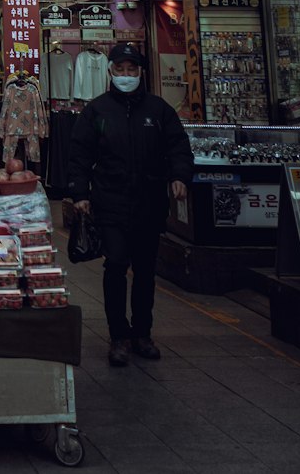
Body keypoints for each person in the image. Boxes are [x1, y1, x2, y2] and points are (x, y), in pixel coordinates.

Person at [68, 41, 193, 367]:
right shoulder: (97, 111)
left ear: (140, 71)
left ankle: (142, 334)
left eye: (131, 69)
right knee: (115, 265)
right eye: (120, 70)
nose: (126, 75)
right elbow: (80, 155)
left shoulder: (158, 110)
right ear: (110, 72)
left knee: (146, 271)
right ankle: (119, 336)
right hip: (110, 202)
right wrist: (80, 193)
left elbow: (178, 146)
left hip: (150, 203)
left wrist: (180, 175)